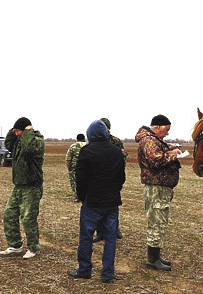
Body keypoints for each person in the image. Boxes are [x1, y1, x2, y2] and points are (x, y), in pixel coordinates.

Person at [67, 120, 126, 283]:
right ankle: (107, 274)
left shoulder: (86, 152)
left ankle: (84, 270)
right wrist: (114, 192)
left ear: (90, 134)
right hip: (112, 203)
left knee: (86, 237)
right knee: (110, 239)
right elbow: (122, 177)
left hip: (92, 203)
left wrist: (82, 195)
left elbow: (81, 178)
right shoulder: (117, 152)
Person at [135, 114, 182, 271]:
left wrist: (171, 149)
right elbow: (155, 160)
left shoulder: (153, 140)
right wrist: (173, 154)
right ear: (159, 127)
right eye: (167, 129)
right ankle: (152, 260)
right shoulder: (149, 140)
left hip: (160, 188)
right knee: (156, 222)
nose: (168, 133)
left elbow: (159, 151)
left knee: (159, 222)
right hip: (156, 188)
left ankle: (155, 256)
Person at [0, 117, 45, 259]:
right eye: (15, 131)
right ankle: (15, 246)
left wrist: (28, 132)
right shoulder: (18, 142)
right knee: (9, 214)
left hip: (32, 186)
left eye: (18, 131)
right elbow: (8, 143)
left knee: (28, 218)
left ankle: (33, 247)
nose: (16, 134)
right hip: (18, 186)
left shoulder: (36, 142)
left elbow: (28, 148)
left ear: (26, 130)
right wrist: (14, 130)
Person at [93, 117, 126, 242]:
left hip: (112, 179)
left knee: (112, 206)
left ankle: (114, 229)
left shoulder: (116, 141)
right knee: (97, 207)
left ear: (108, 128)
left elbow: (123, 158)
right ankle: (100, 232)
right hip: (98, 179)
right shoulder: (93, 140)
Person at [65, 134, 87, 202]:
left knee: (74, 182)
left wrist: (69, 166)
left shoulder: (73, 146)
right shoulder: (88, 145)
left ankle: (78, 197)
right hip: (87, 167)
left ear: (77, 139)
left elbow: (68, 158)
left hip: (75, 167)